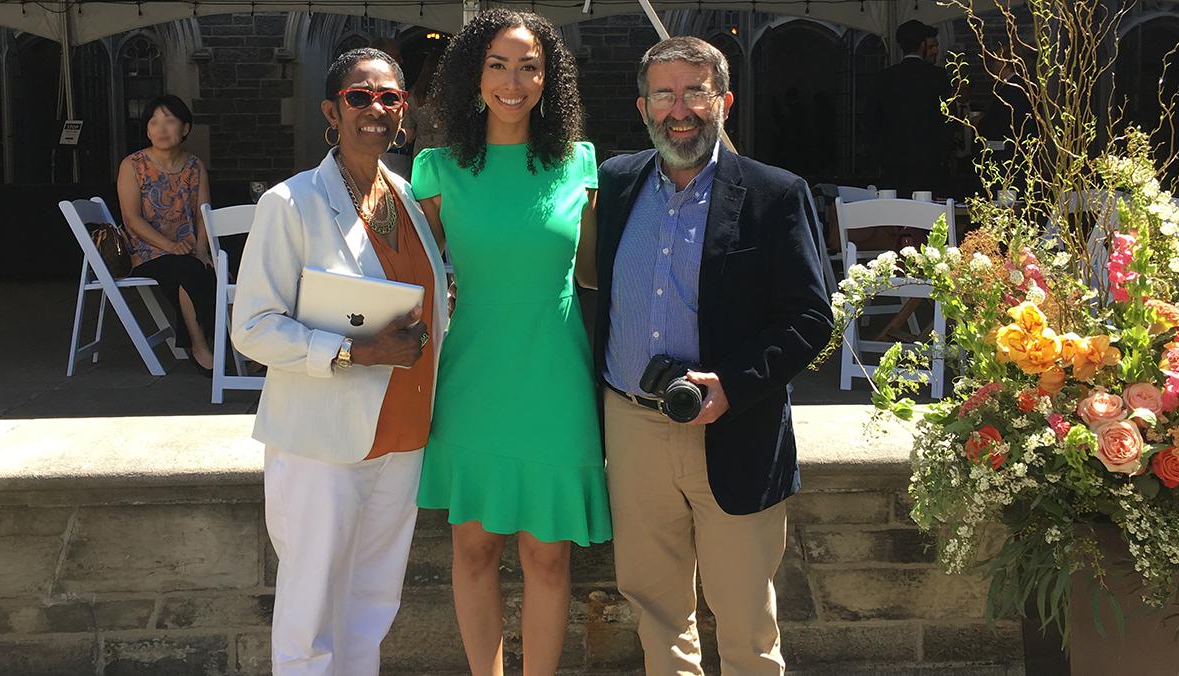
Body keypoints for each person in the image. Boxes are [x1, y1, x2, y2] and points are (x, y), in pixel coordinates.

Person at [588, 37, 833, 675]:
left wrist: (733, 383)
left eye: (696, 91)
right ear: (643, 106)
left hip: (735, 427)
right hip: (633, 424)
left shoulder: (774, 194)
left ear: (723, 101)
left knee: (745, 617)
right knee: (657, 608)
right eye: (664, 94)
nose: (680, 110)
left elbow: (810, 318)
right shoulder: (614, 185)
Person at [229, 47, 447, 676]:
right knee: (312, 604)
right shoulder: (290, 203)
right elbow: (253, 327)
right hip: (321, 439)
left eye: (389, 98)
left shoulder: (411, 198)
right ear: (331, 110)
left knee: (374, 600)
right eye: (359, 97)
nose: (375, 109)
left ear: (403, 110)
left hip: (403, 435)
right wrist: (353, 350)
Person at [411, 9, 611, 675]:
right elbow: (402, 274)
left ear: (549, 80)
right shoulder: (436, 169)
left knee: (549, 557)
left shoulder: (580, 166)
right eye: (497, 64)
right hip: (472, 381)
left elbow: (596, 275)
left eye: (529, 66)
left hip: (555, 381)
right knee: (473, 552)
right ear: (473, 76)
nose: (513, 80)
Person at [116, 95, 217, 372]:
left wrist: (202, 249)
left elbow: (202, 213)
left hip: (189, 248)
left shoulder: (195, 166)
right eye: (154, 122)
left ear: (185, 128)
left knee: (219, 270)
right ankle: (199, 345)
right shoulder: (133, 165)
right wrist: (170, 246)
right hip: (149, 251)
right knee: (188, 271)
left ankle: (239, 345)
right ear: (147, 130)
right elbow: (131, 218)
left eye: (169, 121)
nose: (161, 129)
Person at [867, 20, 952, 196]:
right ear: (923, 45)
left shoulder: (884, 78)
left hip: (893, 163)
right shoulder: (937, 76)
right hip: (930, 163)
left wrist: (881, 155)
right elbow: (948, 119)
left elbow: (871, 122)